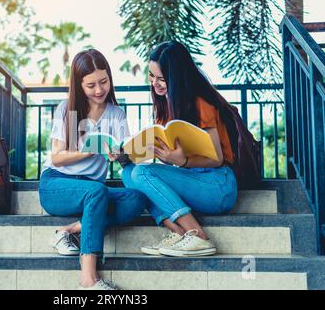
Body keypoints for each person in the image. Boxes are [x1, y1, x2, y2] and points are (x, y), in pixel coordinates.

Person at [38, 49, 148, 290]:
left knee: (137, 198)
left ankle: (69, 230)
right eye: (91, 85)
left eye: (104, 82)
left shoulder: (117, 114)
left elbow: (126, 158)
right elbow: (57, 158)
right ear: (79, 85)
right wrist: (91, 150)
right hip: (57, 184)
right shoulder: (68, 109)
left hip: (91, 192)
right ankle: (88, 279)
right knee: (97, 191)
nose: (99, 90)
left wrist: (122, 155)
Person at [118, 41, 239, 257]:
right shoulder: (165, 108)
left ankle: (198, 236)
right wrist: (130, 155)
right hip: (190, 179)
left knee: (144, 172)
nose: (155, 83)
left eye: (162, 78)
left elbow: (217, 159)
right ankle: (180, 233)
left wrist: (182, 161)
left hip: (218, 184)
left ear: (176, 78)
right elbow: (172, 159)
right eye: (151, 76)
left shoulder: (202, 105)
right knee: (129, 172)